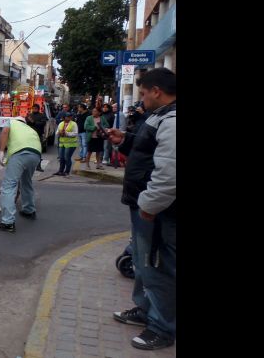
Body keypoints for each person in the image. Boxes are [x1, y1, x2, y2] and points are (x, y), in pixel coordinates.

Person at [107, 68, 176, 350]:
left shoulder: (172, 120)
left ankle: (162, 328)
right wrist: (125, 140)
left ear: (157, 91)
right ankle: (146, 310)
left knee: (158, 265)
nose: (142, 98)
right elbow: (149, 152)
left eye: (144, 93)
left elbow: (170, 172)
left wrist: (150, 205)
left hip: (158, 210)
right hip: (144, 204)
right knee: (143, 262)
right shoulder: (160, 116)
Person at [0, 116, 42, 233]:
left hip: (20, 153)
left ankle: (8, 223)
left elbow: (4, 132)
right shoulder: (30, 129)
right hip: (36, 155)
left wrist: (1, 152)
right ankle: (29, 210)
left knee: (8, 186)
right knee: (26, 182)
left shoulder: (12, 122)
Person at [52, 112, 78, 176]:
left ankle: (67, 171)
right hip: (62, 144)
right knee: (61, 158)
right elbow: (57, 133)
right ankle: (60, 171)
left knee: (67, 158)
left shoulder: (73, 124)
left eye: (70, 117)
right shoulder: (61, 123)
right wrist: (60, 133)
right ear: (64, 117)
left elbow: (75, 133)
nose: (68, 118)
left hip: (71, 144)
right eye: (67, 117)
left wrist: (66, 133)